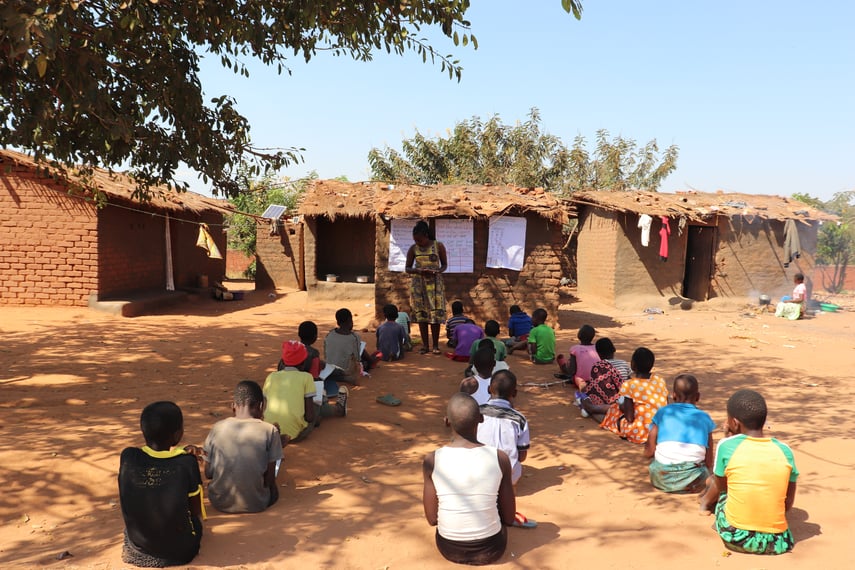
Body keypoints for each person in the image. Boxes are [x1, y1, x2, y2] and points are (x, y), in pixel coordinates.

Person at [699, 389, 798, 555]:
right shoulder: (785, 451)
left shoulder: (726, 445)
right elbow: (788, 504)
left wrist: (727, 437)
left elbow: (723, 487)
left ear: (735, 423)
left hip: (736, 537)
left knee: (721, 492)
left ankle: (708, 506)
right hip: (777, 542)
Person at [422, 393, 516, 565]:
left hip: (449, 548)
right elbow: (509, 518)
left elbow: (432, 519)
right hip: (492, 548)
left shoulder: (432, 460)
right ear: (481, 419)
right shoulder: (499, 457)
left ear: (446, 421)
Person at [118, 401, 203, 567]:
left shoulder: (128, 457)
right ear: (178, 434)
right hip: (182, 551)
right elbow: (196, 510)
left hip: (139, 545)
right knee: (196, 523)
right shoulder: (187, 464)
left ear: (143, 430)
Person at [203, 380, 284, 513]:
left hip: (219, 502)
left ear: (233, 406)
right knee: (274, 489)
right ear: (261, 406)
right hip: (257, 503)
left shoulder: (217, 427)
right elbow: (269, 480)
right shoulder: (270, 430)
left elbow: (208, 473)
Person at [644, 374, 715, 494]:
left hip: (661, 478)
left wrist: (648, 454)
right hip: (695, 479)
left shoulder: (663, 412)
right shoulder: (704, 418)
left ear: (673, 396)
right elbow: (708, 458)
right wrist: (708, 469)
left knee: (653, 465)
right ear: (697, 397)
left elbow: (650, 447)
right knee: (708, 477)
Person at [264, 340, 347, 442]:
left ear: (283, 362)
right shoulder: (306, 377)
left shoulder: (271, 376)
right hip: (297, 435)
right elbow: (309, 417)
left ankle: (323, 413)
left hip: (270, 433)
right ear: (303, 364)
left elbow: (266, 403)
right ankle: (339, 410)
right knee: (317, 403)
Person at [599, 347, 668, 444]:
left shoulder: (629, 385)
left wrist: (622, 407)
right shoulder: (659, 380)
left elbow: (630, 418)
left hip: (641, 432)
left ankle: (590, 408)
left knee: (614, 409)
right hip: (661, 430)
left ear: (633, 365)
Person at [477, 370, 530, 486]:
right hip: (507, 479)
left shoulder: (476, 412)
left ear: (489, 389)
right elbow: (522, 456)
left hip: (477, 477)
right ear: (515, 393)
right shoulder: (519, 419)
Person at [406, 220, 448, 355]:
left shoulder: (438, 246)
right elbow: (407, 268)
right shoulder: (413, 249)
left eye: (420, 240)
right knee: (421, 315)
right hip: (419, 286)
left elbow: (444, 265)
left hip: (435, 285)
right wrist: (419, 271)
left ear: (426, 235)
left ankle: (435, 345)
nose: (418, 243)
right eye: (416, 240)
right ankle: (425, 346)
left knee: (435, 315)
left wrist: (437, 271)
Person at [324, 307, 376, 383]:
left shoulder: (330, 334)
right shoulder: (354, 337)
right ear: (350, 321)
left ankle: (340, 377)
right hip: (347, 370)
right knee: (365, 362)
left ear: (338, 323)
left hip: (331, 369)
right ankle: (370, 362)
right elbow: (358, 357)